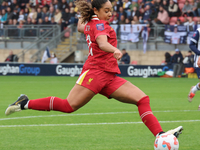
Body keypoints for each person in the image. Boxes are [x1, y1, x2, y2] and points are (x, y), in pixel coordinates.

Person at [5, 0, 183, 139]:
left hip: (109, 76)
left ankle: (160, 136)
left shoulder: (92, 23)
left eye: (111, 10)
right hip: (96, 73)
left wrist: (87, 13)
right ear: (97, 11)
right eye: (106, 10)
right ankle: (24, 103)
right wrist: (115, 49)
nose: (110, 13)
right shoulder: (99, 26)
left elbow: (81, 26)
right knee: (68, 106)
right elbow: (102, 43)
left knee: (142, 99)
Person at [188, 27, 200, 102]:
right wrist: (199, 53)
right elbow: (191, 44)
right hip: (199, 61)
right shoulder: (199, 31)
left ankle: (194, 89)